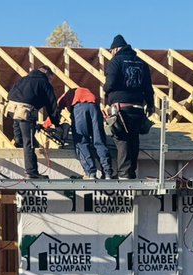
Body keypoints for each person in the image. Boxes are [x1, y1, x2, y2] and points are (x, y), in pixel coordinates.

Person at [102, 34, 154, 179]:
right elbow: (148, 88)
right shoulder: (141, 63)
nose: (111, 53)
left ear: (116, 48)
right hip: (137, 109)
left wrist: (105, 89)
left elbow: (110, 84)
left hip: (121, 109)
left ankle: (124, 174)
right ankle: (131, 172)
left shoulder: (116, 61)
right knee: (134, 139)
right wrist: (150, 105)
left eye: (111, 50)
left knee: (122, 139)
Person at [5, 68, 59, 179]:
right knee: (29, 142)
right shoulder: (44, 83)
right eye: (51, 79)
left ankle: (18, 140)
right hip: (24, 111)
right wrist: (56, 123)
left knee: (20, 135)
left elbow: (10, 95)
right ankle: (31, 172)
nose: (50, 81)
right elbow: (51, 104)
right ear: (47, 74)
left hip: (11, 109)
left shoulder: (23, 79)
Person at [55, 85, 115, 179]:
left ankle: (91, 173)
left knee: (81, 142)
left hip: (79, 110)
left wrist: (46, 124)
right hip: (95, 108)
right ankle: (107, 173)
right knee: (99, 142)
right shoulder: (87, 91)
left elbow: (55, 110)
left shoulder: (68, 94)